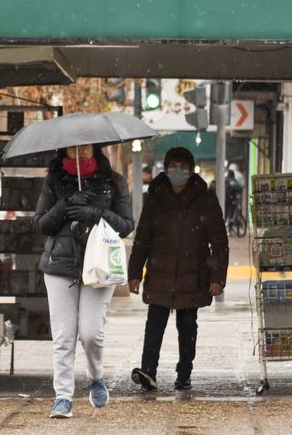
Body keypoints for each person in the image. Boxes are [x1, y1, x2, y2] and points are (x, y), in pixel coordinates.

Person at [34, 143, 134, 418]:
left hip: (99, 266)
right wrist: (65, 205)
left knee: (91, 333)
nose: (80, 153)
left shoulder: (113, 182)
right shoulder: (54, 181)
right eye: (73, 148)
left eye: (85, 147)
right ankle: (63, 397)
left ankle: (96, 376)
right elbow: (41, 224)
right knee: (63, 336)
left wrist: (94, 213)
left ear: (95, 148)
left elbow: (126, 225)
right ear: (63, 151)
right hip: (60, 266)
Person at [127, 147, 229, 391]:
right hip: (159, 272)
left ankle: (184, 373)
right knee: (154, 323)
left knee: (187, 325)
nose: (177, 171)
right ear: (165, 169)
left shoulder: (204, 198)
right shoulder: (155, 196)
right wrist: (134, 273)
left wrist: (217, 277)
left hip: (193, 274)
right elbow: (143, 238)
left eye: (182, 167)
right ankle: (148, 371)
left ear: (191, 170)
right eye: (173, 167)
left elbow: (219, 241)